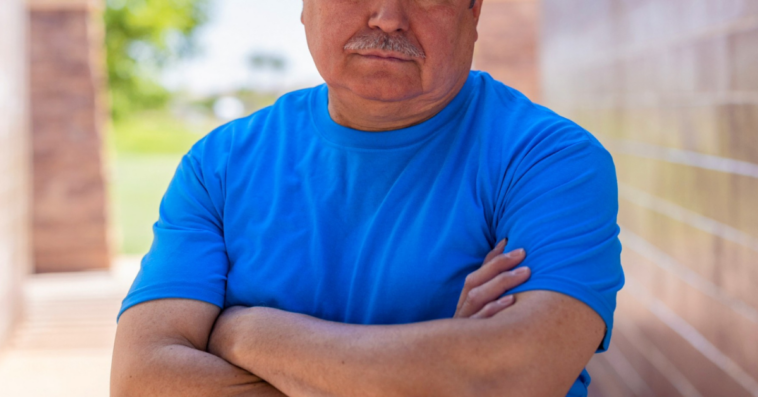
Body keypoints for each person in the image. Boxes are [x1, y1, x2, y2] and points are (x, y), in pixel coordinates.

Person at [111, 0, 624, 396]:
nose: (387, 17)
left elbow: (514, 375)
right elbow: (144, 378)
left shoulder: (548, 161)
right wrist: (435, 373)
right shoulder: (220, 165)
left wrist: (245, 333)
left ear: (475, 10)